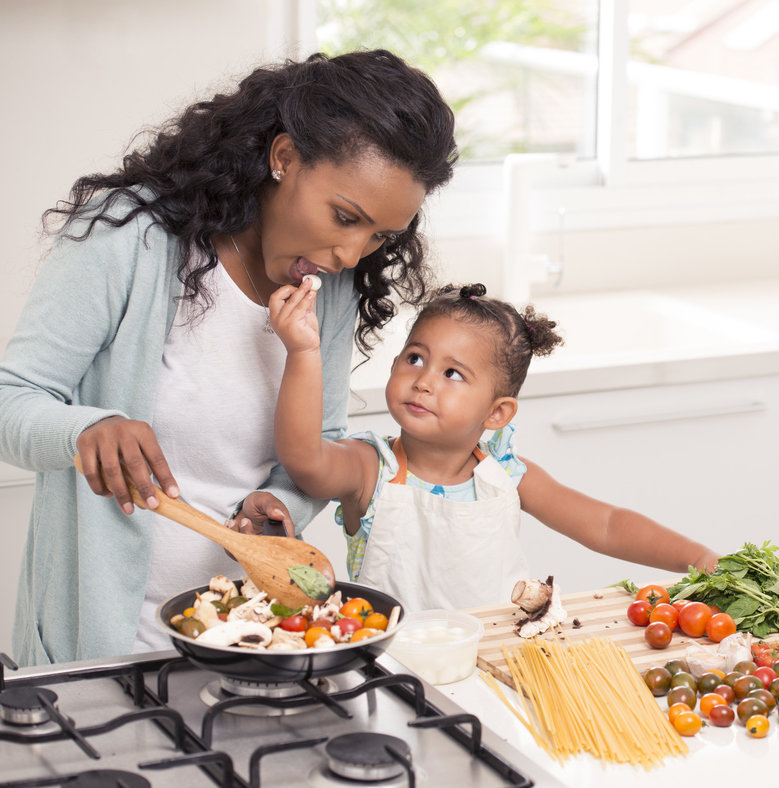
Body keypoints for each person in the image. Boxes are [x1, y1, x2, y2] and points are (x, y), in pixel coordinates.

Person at [0, 49, 458, 665]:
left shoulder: (331, 285)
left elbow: (316, 442)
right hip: (103, 649)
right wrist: (87, 429)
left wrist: (281, 505)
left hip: (244, 639)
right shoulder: (129, 236)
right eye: (344, 217)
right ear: (284, 158)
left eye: (380, 235)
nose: (352, 253)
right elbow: (11, 398)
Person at [268, 281, 719, 610]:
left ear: (496, 414)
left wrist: (696, 558)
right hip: (400, 673)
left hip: (503, 665)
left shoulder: (505, 475)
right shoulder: (370, 468)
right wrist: (304, 354)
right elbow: (305, 459)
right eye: (415, 358)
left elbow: (605, 524)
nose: (423, 380)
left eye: (453, 374)